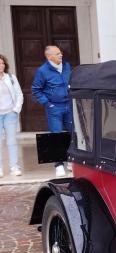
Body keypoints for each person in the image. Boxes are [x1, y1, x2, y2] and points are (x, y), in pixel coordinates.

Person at [31, 44, 73, 176]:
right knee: (56, 135)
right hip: (54, 107)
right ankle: (59, 165)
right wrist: (48, 104)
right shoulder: (42, 71)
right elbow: (36, 90)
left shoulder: (67, 66)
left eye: (60, 53)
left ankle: (71, 160)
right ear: (49, 57)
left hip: (68, 105)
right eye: (57, 54)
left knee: (73, 132)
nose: (61, 55)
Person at [0, 54, 24, 177]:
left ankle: (14, 167)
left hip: (10, 113)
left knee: (12, 141)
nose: (1, 65)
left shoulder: (10, 77)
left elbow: (19, 94)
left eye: (2, 63)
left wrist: (16, 110)